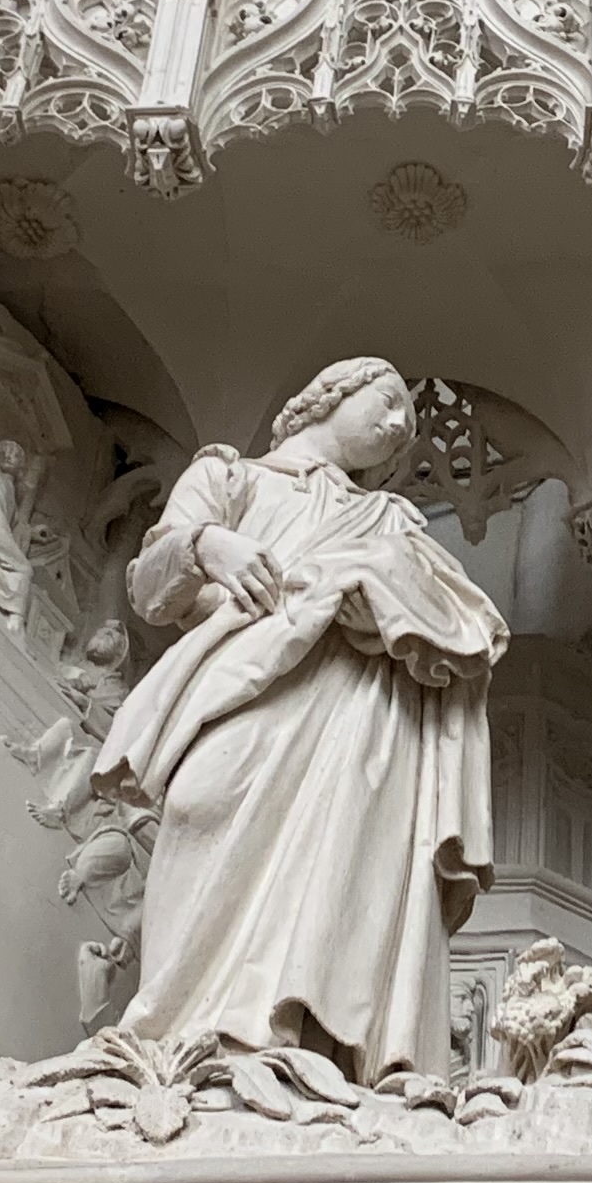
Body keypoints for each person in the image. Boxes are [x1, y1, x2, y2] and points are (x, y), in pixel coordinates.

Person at [103, 359, 506, 1078]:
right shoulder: (232, 476)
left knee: (334, 864)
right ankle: (174, 1035)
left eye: (404, 428)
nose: (394, 427)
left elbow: (463, 626)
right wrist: (206, 546)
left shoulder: (391, 519)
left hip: (346, 703)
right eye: (386, 402)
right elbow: (151, 591)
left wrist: (377, 603)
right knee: (200, 805)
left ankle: (291, 1046)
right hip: (237, 685)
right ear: (331, 393)